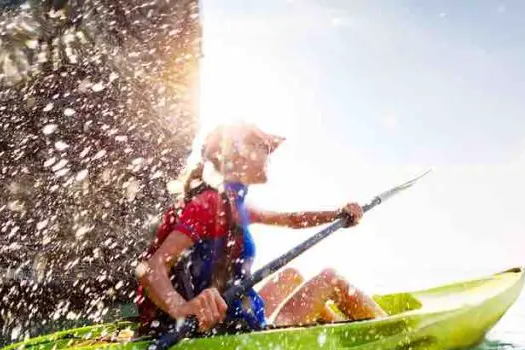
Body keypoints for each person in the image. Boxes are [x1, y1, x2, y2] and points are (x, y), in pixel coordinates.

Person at [134, 122, 388, 335]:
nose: (270, 156)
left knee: (293, 275)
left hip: (241, 314)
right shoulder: (210, 204)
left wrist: (338, 214)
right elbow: (152, 269)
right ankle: (393, 338)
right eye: (265, 148)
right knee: (331, 279)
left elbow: (292, 220)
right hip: (231, 331)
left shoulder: (236, 203)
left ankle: (336, 334)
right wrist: (181, 309)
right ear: (239, 155)